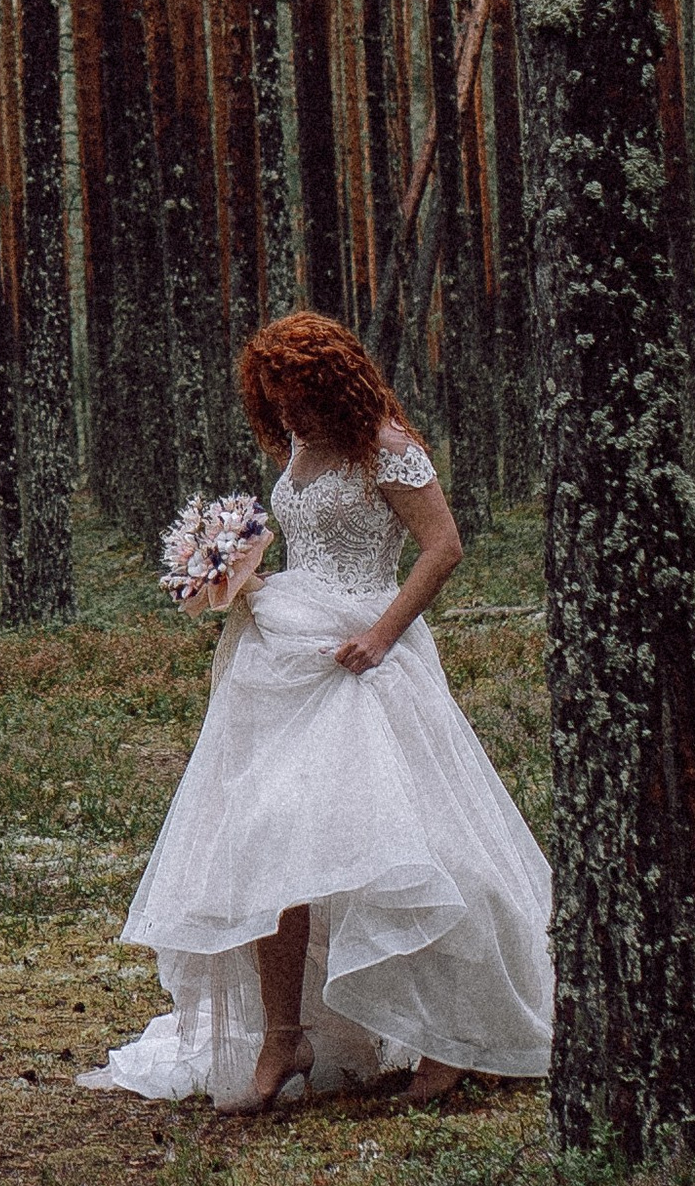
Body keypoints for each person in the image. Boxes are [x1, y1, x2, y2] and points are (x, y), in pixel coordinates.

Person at [84, 310, 553, 1117]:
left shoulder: (391, 449)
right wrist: (232, 576)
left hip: (367, 658)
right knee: (273, 839)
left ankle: (450, 1033)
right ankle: (283, 1033)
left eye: (296, 395)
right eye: (273, 400)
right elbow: (298, 540)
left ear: (330, 381)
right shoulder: (299, 448)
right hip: (285, 654)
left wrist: (381, 633)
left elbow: (443, 547)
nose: (287, 414)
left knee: (419, 844)